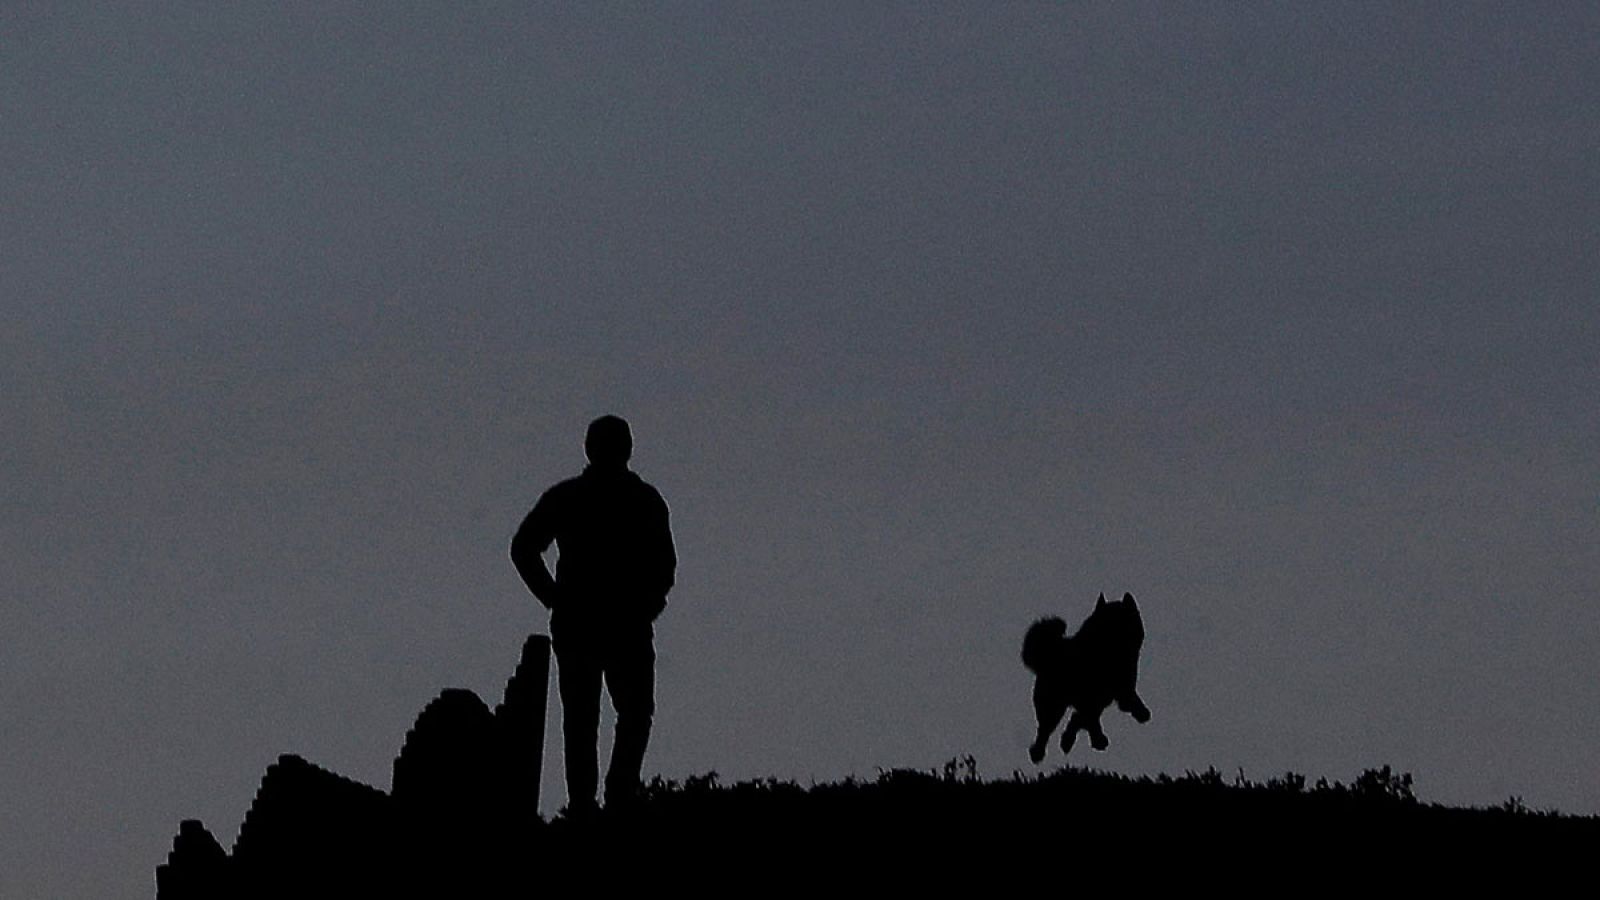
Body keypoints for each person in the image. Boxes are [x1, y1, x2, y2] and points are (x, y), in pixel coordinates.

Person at [509, 415, 676, 813]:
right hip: (605, 625)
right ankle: (601, 801)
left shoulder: (580, 497)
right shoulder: (639, 499)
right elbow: (523, 548)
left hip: (600, 624)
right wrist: (554, 598)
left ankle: (600, 800)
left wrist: (555, 599)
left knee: (597, 718)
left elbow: (664, 564)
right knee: (608, 716)